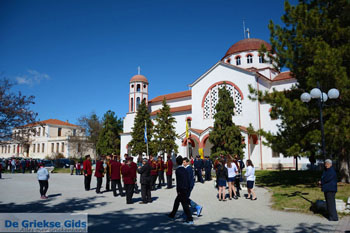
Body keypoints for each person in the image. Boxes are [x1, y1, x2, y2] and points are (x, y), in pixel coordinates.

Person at [167, 156, 193, 225]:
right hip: (186, 188)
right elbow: (187, 179)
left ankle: (190, 219)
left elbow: (179, 182)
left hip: (181, 189)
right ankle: (172, 214)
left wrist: (178, 190)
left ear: (176, 162)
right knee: (177, 201)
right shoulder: (185, 169)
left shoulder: (178, 170)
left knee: (185, 205)